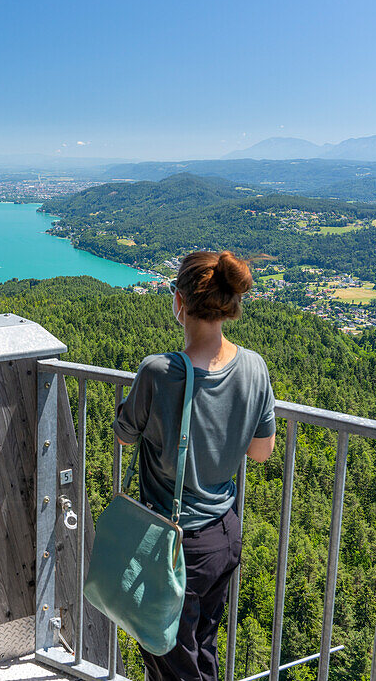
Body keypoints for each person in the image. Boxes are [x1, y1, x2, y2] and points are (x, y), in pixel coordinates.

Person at [113, 250, 277, 681]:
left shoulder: (158, 371)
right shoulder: (255, 368)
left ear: (180, 302)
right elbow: (261, 452)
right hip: (224, 534)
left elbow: (124, 435)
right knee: (200, 647)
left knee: (167, 656)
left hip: (173, 543)